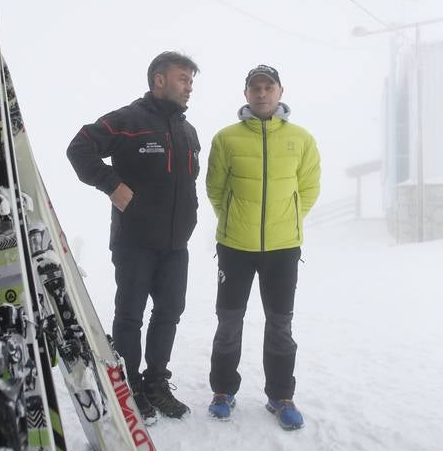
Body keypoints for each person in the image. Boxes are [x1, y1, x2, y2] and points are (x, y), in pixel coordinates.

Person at [66, 51, 200, 424]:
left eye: (191, 80)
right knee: (130, 317)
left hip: (176, 245)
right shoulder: (128, 120)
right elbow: (79, 147)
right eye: (183, 79)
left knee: (170, 313)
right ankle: (130, 387)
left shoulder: (188, 131)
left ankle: (156, 382)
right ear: (159, 79)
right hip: (135, 241)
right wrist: (111, 185)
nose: (189, 87)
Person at [205, 64, 320, 428]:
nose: (262, 93)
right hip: (235, 247)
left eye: (268, 87)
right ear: (246, 94)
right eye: (255, 88)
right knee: (229, 322)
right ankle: (223, 391)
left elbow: (310, 188)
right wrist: (234, 219)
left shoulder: (301, 139)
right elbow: (215, 189)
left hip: (283, 248)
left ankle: (281, 396)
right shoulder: (226, 138)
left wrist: (287, 221)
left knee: (281, 324)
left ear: (280, 92)